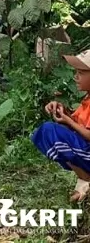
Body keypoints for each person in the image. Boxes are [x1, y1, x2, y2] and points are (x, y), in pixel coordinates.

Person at [32, 50, 90, 202]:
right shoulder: (87, 99)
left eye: (81, 73)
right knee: (43, 133)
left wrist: (68, 121)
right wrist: (63, 112)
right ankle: (84, 180)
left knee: (50, 131)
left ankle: (85, 181)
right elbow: (79, 124)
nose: (76, 77)